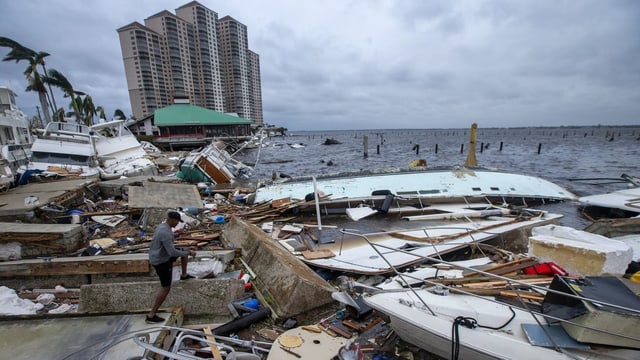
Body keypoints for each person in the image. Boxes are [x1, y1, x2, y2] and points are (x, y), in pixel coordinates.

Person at [146, 211, 196, 323]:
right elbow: (172, 252)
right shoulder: (165, 232)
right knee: (165, 288)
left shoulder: (163, 227)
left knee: (184, 250)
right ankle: (151, 314)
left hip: (160, 255)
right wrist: (188, 253)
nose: (178, 223)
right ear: (172, 220)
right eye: (177, 221)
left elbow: (169, 243)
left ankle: (184, 275)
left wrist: (184, 248)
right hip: (160, 261)